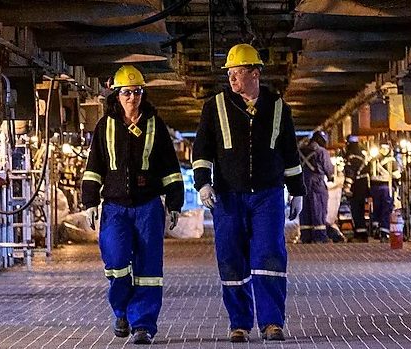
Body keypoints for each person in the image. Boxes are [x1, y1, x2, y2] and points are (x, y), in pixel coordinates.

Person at [192, 43, 305, 342]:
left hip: (267, 195)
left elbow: (290, 153)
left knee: (269, 255)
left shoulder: (278, 107)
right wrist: (203, 182)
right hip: (228, 196)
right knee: (230, 258)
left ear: (255, 74)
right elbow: (202, 150)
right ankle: (239, 323)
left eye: (238, 72)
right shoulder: (214, 106)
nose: (232, 78)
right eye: (230, 73)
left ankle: (271, 322)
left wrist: (298, 191)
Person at [81, 65, 184, 345]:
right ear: (116, 95)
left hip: (149, 206)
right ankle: (122, 311)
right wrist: (89, 201)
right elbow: (94, 167)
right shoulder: (105, 126)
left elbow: (170, 168)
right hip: (115, 208)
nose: (132, 97)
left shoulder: (155, 124)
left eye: (137, 92)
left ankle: (143, 325)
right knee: (116, 263)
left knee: (149, 269)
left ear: (143, 94)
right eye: (126, 92)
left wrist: (175, 203)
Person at [298, 130, 334, 243]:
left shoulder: (300, 151)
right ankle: (320, 237)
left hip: (303, 183)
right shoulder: (322, 152)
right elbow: (328, 168)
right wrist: (330, 177)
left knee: (305, 210)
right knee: (318, 209)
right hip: (317, 184)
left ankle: (306, 236)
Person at [368, 143, 401, 242]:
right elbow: (396, 175)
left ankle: (376, 228)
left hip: (374, 188)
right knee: (386, 210)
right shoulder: (391, 161)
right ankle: (384, 233)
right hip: (387, 187)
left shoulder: (373, 160)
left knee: (376, 209)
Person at [342, 135, 370, 241]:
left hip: (356, 186)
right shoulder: (362, 154)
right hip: (363, 186)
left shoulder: (351, 155)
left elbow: (350, 172)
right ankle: (362, 233)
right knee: (361, 210)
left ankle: (360, 235)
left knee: (356, 210)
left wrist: (347, 187)